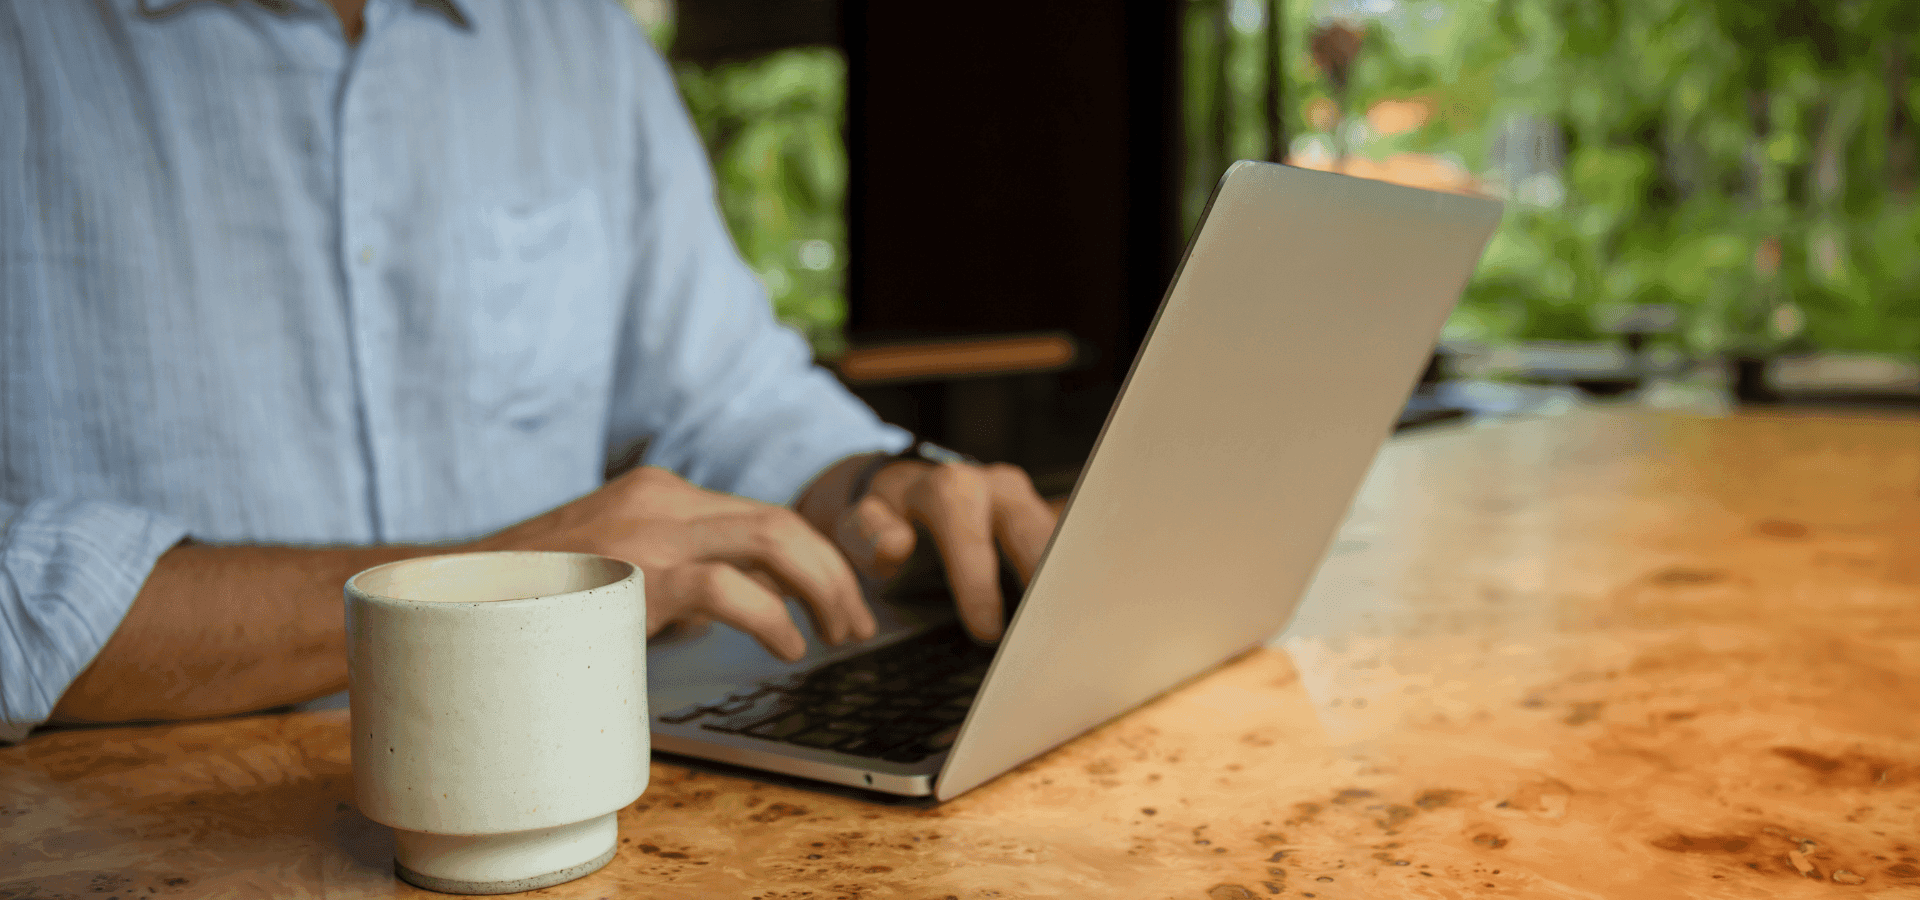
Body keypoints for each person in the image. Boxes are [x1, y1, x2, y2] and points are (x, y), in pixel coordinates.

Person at [0, 0, 1059, 743]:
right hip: (135, 832)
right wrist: (503, 585)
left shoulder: (579, 37)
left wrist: (872, 483)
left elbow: (722, 390)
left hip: (588, 782)